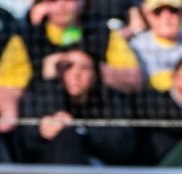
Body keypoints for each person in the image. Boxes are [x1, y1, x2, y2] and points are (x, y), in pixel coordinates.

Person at [14, 48, 138, 174]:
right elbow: (26, 143)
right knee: (65, 135)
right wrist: (50, 83)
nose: (76, 74)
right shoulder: (41, 97)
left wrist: (81, 131)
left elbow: (123, 144)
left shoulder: (109, 101)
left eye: (84, 68)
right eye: (67, 67)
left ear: (95, 75)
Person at [0, 0, 142, 133]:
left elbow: (134, 79)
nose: (62, 5)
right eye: (54, 0)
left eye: (69, 0)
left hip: (98, 120)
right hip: (46, 121)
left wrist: (93, 68)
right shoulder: (26, 38)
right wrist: (8, 115)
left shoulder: (102, 33)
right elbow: (9, 88)